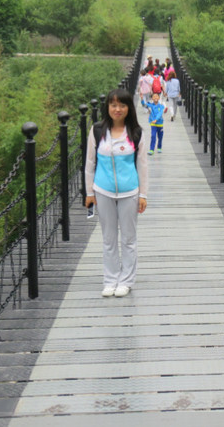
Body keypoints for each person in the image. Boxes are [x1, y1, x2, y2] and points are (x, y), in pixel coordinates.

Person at [85, 88, 148, 297]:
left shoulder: (136, 133)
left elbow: (143, 166)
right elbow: (89, 164)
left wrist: (143, 195)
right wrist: (89, 192)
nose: (117, 109)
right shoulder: (97, 131)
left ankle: (126, 280)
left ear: (129, 108)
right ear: (107, 108)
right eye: (113, 105)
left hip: (130, 192)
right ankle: (110, 279)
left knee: (128, 238)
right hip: (103, 191)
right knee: (108, 238)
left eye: (122, 105)